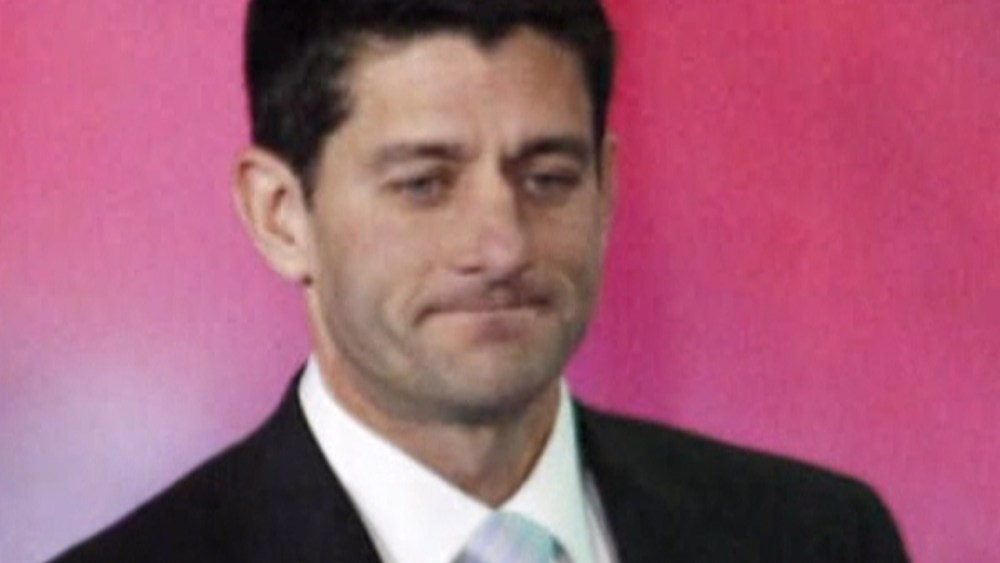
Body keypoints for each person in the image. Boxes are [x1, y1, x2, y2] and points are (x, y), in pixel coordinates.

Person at [51, 0, 910, 561]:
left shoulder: (817, 539)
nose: (502, 246)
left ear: (607, 189)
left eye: (548, 177)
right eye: (425, 184)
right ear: (281, 215)